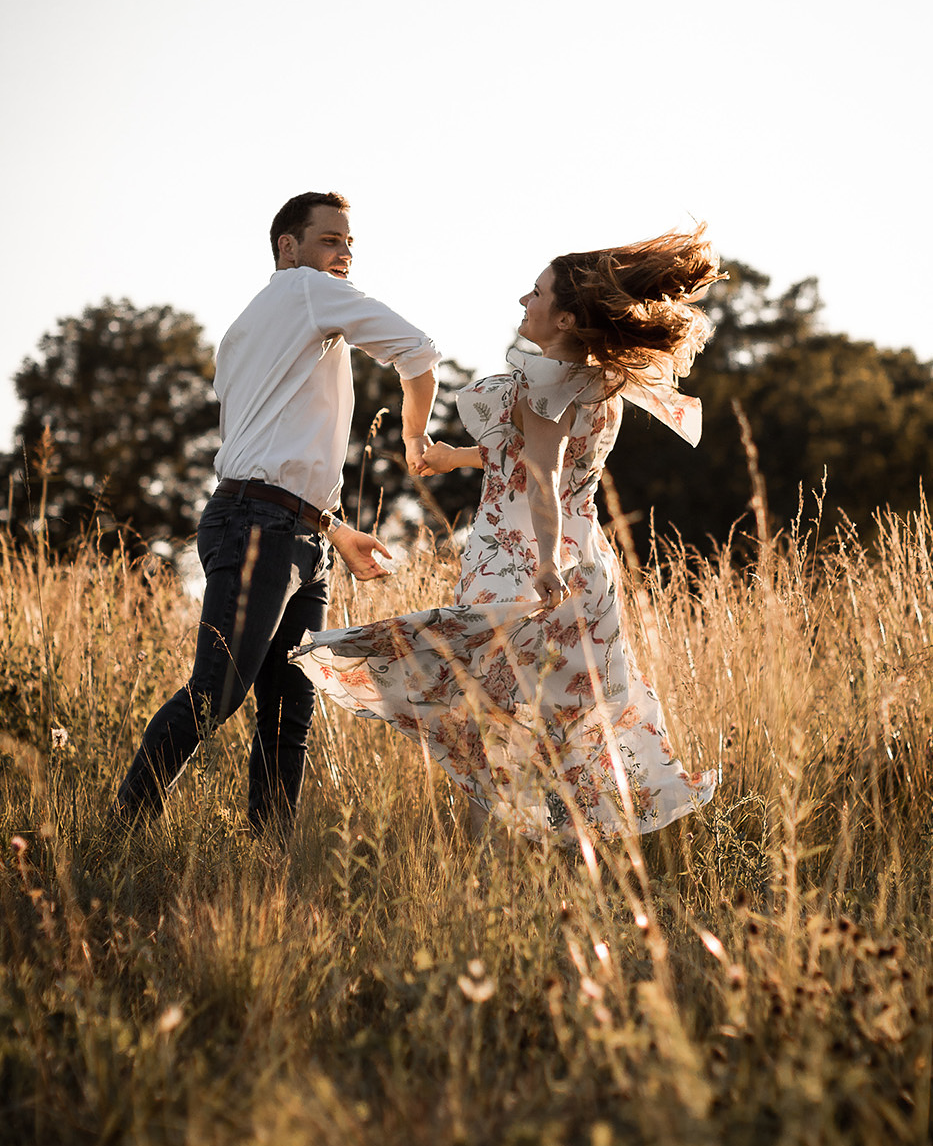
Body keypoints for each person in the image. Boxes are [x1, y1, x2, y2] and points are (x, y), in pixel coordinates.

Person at [290, 224, 719, 844]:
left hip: (521, 565)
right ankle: (558, 844)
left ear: (565, 319)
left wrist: (543, 563)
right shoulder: (598, 382)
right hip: (584, 560)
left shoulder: (545, 383)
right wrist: (455, 458)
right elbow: (535, 457)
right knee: (555, 713)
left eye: (536, 293)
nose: (524, 300)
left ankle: (502, 851)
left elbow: (543, 476)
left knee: (482, 706)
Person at [114, 190, 441, 835]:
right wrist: (414, 437)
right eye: (329, 240)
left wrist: (333, 530)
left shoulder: (248, 328)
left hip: (293, 529)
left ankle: (268, 861)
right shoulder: (307, 290)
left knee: (289, 712)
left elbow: (271, 450)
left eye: (349, 243)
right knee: (217, 692)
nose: (343, 254)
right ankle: (117, 834)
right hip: (260, 528)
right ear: (288, 248)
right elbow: (420, 351)